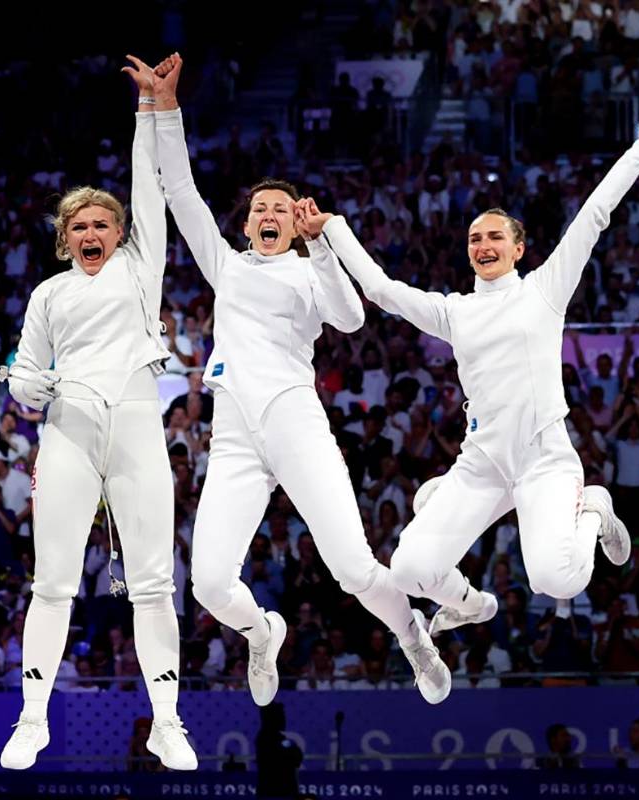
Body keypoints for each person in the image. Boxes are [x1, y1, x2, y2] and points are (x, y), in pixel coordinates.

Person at [153, 54, 450, 708]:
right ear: (247, 221)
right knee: (205, 584)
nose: (268, 212)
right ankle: (262, 633)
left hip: (295, 424)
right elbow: (178, 190)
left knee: (351, 569)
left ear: (294, 221)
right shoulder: (226, 267)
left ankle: (411, 632)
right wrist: (166, 108)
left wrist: (322, 247)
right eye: (260, 206)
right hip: (233, 436)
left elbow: (347, 318)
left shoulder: (310, 269)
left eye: (281, 208)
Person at [303, 113, 639, 636]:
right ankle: (472, 604)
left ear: (519, 248)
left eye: (495, 236)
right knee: (409, 570)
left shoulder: (543, 290)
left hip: (543, 461)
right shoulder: (456, 312)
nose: (484, 246)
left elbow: (593, 214)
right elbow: (382, 291)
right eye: (475, 239)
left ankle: (594, 509)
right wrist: (332, 227)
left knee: (557, 580)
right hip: (483, 464)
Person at [0, 55, 196, 772]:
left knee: (152, 582)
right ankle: (31, 719)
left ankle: (168, 721)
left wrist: (148, 110)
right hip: (68, 434)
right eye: (79, 224)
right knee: (52, 581)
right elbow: (22, 380)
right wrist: (33, 389)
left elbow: (150, 191)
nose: (91, 231)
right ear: (64, 236)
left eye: (102, 222)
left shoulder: (141, 268)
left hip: (139, 426)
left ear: (119, 233)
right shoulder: (47, 296)